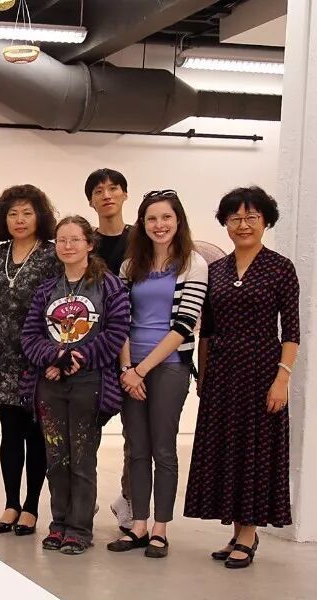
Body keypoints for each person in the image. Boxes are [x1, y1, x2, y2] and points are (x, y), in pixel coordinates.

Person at [184, 187, 299, 570]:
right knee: (228, 452)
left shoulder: (280, 268)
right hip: (222, 374)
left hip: (262, 371)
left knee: (254, 452)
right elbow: (207, 330)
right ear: (226, 223)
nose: (243, 224)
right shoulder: (216, 269)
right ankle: (237, 531)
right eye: (235, 218)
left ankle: (248, 533)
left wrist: (282, 379)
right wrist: (203, 376)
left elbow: (291, 331)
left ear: (265, 221)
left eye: (252, 217)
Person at [22, 216, 130, 556]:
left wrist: (77, 359)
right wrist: (54, 358)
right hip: (51, 384)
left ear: (89, 244)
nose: (68, 246)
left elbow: (117, 331)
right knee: (56, 458)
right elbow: (30, 335)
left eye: (75, 240)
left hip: (89, 382)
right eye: (62, 240)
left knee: (82, 458)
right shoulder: (46, 289)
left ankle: (80, 529)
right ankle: (59, 524)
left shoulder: (109, 286)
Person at [108, 191, 207, 558]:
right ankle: (138, 525)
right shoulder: (130, 266)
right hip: (131, 366)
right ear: (143, 224)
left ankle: (160, 529)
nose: (159, 225)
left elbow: (184, 325)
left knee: (163, 449)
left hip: (169, 367)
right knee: (136, 448)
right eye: (151, 218)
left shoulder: (193, 264)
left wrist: (141, 370)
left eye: (166, 217)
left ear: (178, 221)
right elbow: (120, 321)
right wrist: (126, 369)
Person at [0, 185, 60, 537]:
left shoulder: (51, 255)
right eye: (13, 213)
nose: (20, 220)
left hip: (39, 359)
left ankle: (31, 506)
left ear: (39, 217)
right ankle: (11, 503)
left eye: (27, 213)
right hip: (2, 360)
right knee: (9, 434)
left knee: (36, 435)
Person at [86, 167, 136, 531]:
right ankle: (82, 502)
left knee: (136, 434)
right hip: (96, 350)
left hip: (137, 347)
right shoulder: (86, 243)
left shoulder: (141, 240)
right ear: (90, 201)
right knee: (87, 432)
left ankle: (129, 499)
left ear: (124, 194)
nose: (107, 195)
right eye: (99, 191)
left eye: (113, 188)